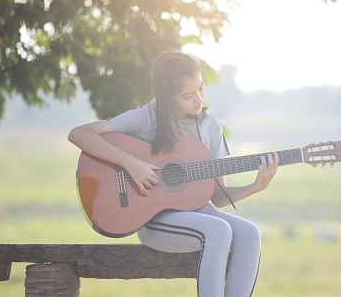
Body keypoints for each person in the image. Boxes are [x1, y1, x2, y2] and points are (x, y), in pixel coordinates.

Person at [68, 49, 279, 297]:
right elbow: (79, 134)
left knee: (249, 232)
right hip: (155, 220)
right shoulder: (146, 116)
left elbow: (218, 198)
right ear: (168, 97)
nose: (198, 99)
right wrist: (132, 164)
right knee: (218, 230)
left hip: (201, 213)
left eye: (201, 88)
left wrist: (256, 186)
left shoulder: (210, 125)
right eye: (187, 95)